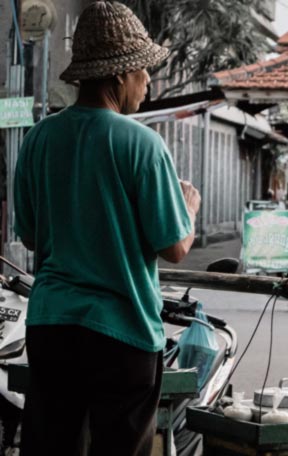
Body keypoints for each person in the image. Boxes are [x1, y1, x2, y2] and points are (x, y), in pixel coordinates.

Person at [13, 2, 201, 455]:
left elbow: (32, 237)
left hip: (52, 327)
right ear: (119, 75)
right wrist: (189, 208)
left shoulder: (39, 138)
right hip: (122, 334)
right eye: (143, 71)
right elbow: (174, 247)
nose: (149, 81)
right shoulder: (143, 144)